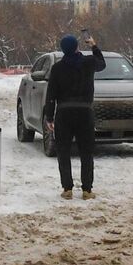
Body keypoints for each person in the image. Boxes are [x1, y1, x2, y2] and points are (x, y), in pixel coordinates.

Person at [44, 32, 104, 199]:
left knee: (63, 151)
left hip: (63, 113)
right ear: (77, 47)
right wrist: (93, 46)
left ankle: (67, 189)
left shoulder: (57, 68)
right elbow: (102, 64)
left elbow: (51, 94)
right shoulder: (89, 62)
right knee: (86, 151)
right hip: (85, 112)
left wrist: (49, 117)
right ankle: (87, 190)